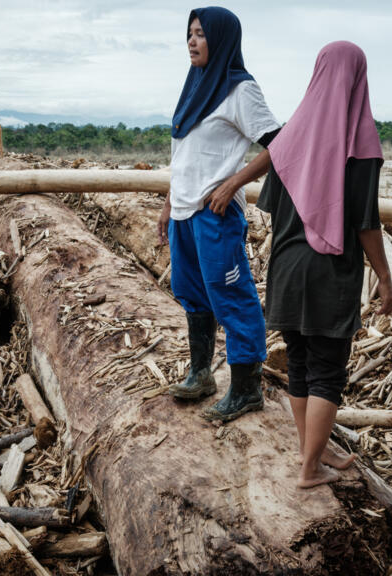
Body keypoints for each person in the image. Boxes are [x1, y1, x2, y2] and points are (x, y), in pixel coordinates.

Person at [257, 41, 392, 488]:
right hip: (328, 273)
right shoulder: (360, 141)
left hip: (285, 268)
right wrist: (386, 277)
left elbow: (272, 207)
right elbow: (364, 222)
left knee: (299, 364)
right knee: (328, 372)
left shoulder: (289, 137)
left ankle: (309, 453)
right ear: (358, 78)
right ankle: (309, 468)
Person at [158, 7, 280, 421]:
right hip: (184, 213)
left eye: (201, 34)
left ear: (222, 39)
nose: (191, 41)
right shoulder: (194, 87)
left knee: (232, 295)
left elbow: (280, 145)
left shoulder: (240, 89)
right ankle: (201, 375)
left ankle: (247, 390)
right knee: (192, 293)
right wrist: (168, 204)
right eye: (189, 33)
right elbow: (186, 157)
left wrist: (233, 184)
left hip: (216, 213)